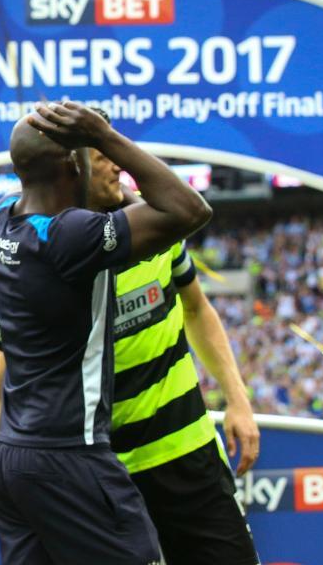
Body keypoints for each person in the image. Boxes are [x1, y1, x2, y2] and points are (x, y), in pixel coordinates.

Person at [0, 102, 212, 565]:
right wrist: (104, 136)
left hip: (11, 460)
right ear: (74, 163)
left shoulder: (3, 217)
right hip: (70, 457)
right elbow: (189, 209)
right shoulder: (69, 237)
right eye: (92, 156)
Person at [87, 140, 261, 565]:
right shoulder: (49, 255)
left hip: (189, 450)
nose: (116, 167)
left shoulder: (157, 226)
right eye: (100, 158)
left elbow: (198, 308)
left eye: (115, 152)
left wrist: (238, 399)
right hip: (105, 471)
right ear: (70, 172)